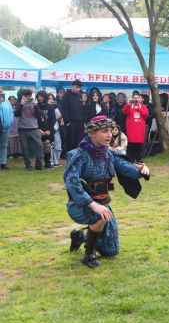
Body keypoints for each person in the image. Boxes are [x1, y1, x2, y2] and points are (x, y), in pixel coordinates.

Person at [64, 115, 150, 268]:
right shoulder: (78, 155)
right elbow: (72, 183)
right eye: (104, 131)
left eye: (111, 131)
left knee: (111, 250)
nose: (109, 134)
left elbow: (127, 169)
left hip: (103, 204)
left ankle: (80, 236)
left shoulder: (108, 154)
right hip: (80, 205)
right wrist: (92, 204)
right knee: (99, 216)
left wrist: (142, 170)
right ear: (92, 133)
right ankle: (88, 254)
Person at [15, 89, 43, 170]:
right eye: (26, 96)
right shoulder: (19, 103)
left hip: (34, 128)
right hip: (22, 129)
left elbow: (39, 115)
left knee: (39, 146)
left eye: (29, 95)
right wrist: (21, 104)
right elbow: (16, 114)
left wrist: (35, 105)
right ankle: (28, 165)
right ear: (23, 96)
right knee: (25, 148)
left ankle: (39, 164)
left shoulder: (34, 103)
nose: (28, 97)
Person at [122, 91, 150, 162]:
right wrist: (129, 104)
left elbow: (146, 114)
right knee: (131, 144)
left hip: (139, 129)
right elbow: (124, 111)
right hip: (131, 129)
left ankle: (138, 158)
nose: (136, 100)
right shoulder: (129, 106)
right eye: (134, 98)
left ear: (141, 99)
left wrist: (139, 108)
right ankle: (131, 158)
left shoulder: (143, 107)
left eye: (138, 98)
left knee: (139, 144)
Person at [60, 79, 86, 151]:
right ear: (72, 86)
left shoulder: (81, 95)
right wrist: (67, 121)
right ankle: (70, 156)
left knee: (79, 140)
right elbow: (64, 109)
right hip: (71, 122)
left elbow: (83, 108)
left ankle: (78, 156)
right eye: (77, 87)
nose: (78, 89)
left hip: (80, 122)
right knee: (70, 141)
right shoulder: (67, 95)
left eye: (79, 87)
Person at [36, 91, 56, 169]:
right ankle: (38, 164)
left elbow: (53, 120)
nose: (39, 98)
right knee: (38, 147)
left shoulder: (50, 107)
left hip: (48, 130)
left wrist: (49, 130)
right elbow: (34, 119)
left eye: (41, 96)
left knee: (47, 146)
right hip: (38, 130)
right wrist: (38, 129)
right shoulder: (36, 106)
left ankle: (47, 163)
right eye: (38, 96)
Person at [48, 93, 64, 167]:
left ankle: (56, 161)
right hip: (49, 129)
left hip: (57, 128)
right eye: (49, 98)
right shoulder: (46, 108)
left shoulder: (56, 107)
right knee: (51, 146)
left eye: (52, 98)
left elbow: (60, 116)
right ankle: (51, 161)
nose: (51, 100)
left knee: (58, 146)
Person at [0, 91, 14, 170]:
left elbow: (11, 114)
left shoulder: (7, 104)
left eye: (2, 95)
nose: (1, 96)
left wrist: (9, 123)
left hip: (5, 128)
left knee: (4, 146)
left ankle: (3, 163)